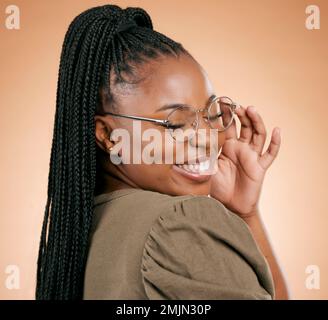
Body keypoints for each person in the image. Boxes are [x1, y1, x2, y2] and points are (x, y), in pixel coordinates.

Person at [36, 4, 289, 300]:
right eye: (175, 123)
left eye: (210, 114)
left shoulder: (84, 228)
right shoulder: (181, 223)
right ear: (108, 135)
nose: (207, 139)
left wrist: (244, 213)